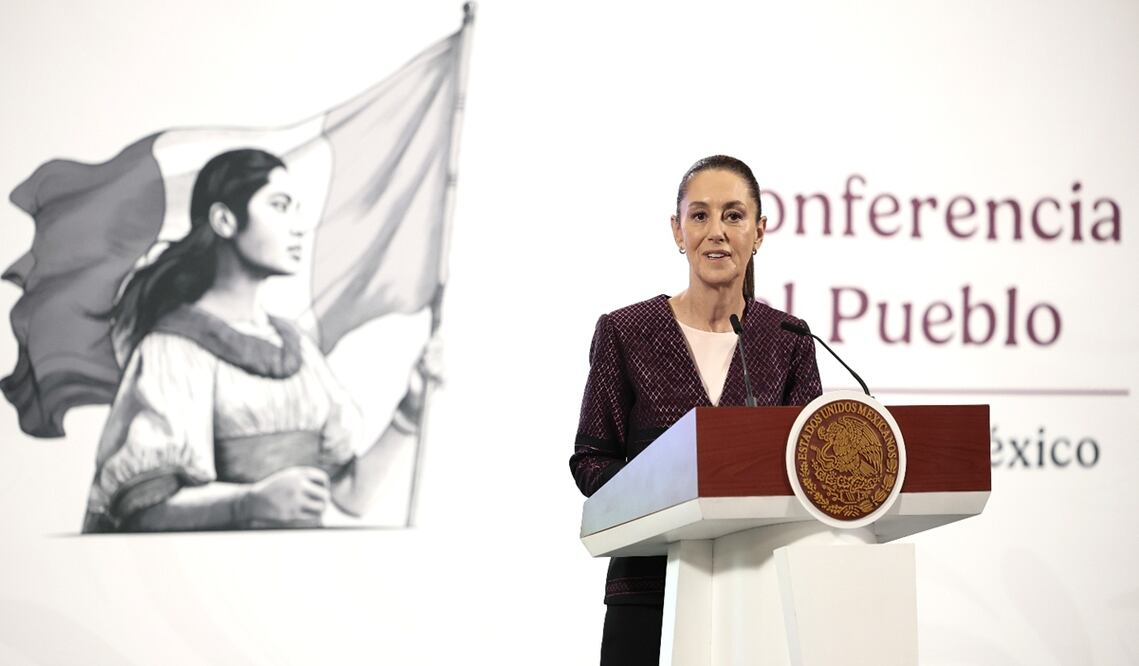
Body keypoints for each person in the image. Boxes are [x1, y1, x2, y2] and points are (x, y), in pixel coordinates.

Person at [83, 148, 434, 532]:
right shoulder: (173, 349)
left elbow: (351, 495)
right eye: (280, 206)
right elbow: (143, 511)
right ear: (224, 220)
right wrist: (249, 502)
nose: (299, 226)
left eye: (298, 209)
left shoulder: (297, 348)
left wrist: (411, 410)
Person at [569, 155, 822, 664]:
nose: (716, 232)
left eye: (733, 215)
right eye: (700, 215)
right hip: (648, 588)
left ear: (759, 231)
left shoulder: (786, 339)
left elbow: (809, 468)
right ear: (677, 231)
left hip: (755, 591)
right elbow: (591, 460)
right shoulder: (626, 331)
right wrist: (670, 503)